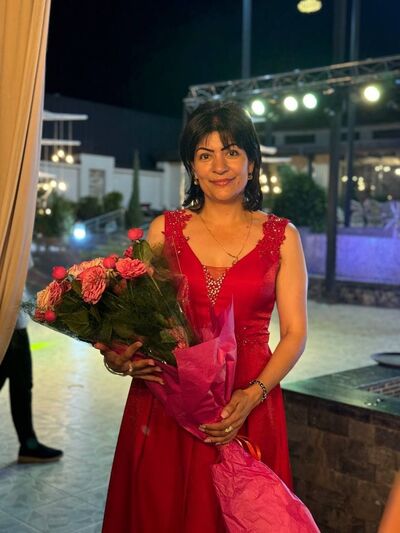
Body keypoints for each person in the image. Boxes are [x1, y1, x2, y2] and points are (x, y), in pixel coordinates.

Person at [97, 101, 308, 532]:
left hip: (247, 396)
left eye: (231, 152)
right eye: (205, 155)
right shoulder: (165, 230)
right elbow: (138, 317)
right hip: (168, 398)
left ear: (252, 162)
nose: (220, 166)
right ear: (192, 167)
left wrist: (252, 394)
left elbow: (294, 333)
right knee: (160, 509)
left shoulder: (282, 236)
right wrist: (119, 357)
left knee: (244, 514)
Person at [0, 311, 63, 463]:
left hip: (15, 327)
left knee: (22, 387)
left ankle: (29, 445)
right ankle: (29, 445)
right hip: (6, 328)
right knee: (21, 387)